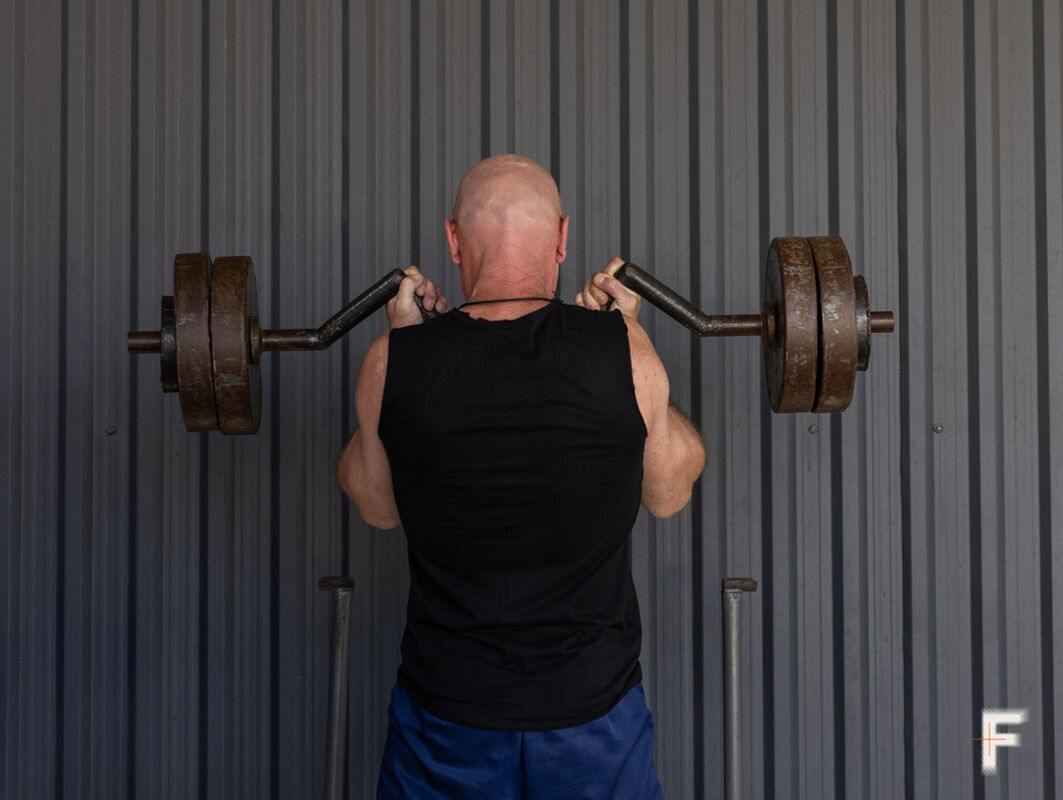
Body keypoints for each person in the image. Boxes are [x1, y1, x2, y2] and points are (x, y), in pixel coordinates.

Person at [336, 154, 705, 799]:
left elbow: (375, 505)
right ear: (562, 238)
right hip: (593, 720)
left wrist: (403, 345)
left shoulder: (390, 361)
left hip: (446, 723)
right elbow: (671, 492)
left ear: (453, 241)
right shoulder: (623, 351)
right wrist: (627, 343)